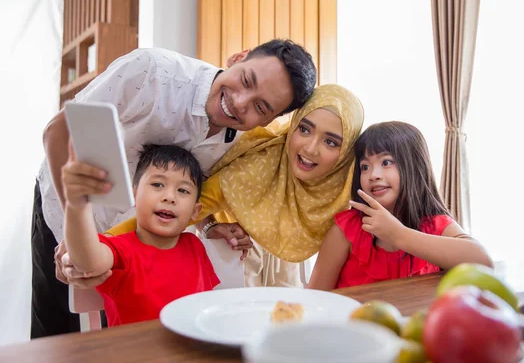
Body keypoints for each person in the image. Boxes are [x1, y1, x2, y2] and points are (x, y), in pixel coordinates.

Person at [33, 39, 316, 337]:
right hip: (65, 209)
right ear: (238, 57)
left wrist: (208, 226)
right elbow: (58, 132)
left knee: (116, 339)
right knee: (54, 336)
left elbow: (193, 181)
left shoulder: (240, 140)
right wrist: (72, 231)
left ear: (270, 119)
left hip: (131, 243)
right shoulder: (152, 72)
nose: (240, 102)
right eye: (246, 80)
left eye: (260, 107)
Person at [103, 84, 365, 287]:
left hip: (289, 266)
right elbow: (181, 208)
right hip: (235, 253)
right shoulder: (258, 166)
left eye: (331, 142)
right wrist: (102, 243)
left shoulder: (349, 186)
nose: (310, 148)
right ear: (293, 124)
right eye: (304, 129)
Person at [307, 121, 493, 291]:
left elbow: (483, 263)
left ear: (413, 166)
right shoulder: (346, 230)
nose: (373, 175)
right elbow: (315, 298)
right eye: (365, 167)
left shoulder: (435, 225)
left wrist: (397, 234)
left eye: (386, 162)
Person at [63, 143, 218, 326]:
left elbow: (207, 307)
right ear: (134, 194)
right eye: (157, 184)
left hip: (190, 352)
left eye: (183, 190)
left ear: (195, 211)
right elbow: (87, 262)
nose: (169, 197)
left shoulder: (194, 245)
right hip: (135, 354)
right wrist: (76, 206)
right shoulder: (119, 250)